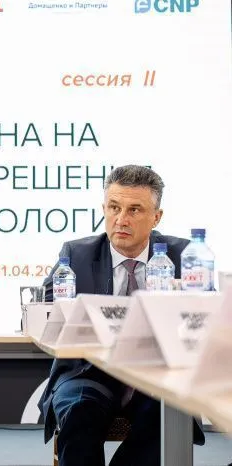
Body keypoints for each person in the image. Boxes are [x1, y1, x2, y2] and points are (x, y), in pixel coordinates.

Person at [38, 165, 203, 466]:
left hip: (158, 376)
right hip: (88, 373)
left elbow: (204, 320)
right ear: (104, 209)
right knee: (79, 412)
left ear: (156, 217)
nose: (121, 219)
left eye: (134, 210)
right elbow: (45, 315)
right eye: (114, 207)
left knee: (168, 413)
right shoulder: (76, 255)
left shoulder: (184, 256)